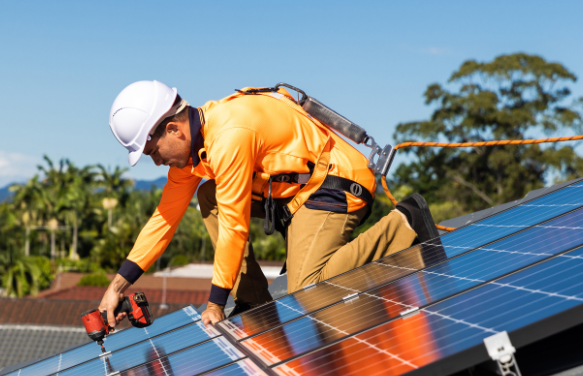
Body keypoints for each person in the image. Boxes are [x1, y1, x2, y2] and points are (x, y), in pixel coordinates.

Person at [98, 80, 437, 327]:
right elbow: (164, 219)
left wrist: (216, 302)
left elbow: (234, 225)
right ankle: (253, 301)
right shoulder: (194, 153)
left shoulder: (229, 134)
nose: (156, 162)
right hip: (296, 196)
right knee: (207, 195)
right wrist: (117, 287)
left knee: (308, 287)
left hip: (336, 184)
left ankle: (404, 222)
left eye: (153, 151)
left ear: (174, 129)